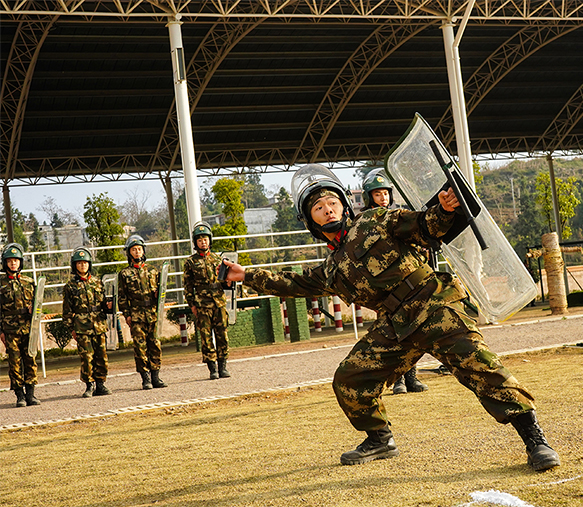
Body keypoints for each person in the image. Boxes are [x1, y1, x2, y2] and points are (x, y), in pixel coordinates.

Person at [222, 164, 560, 471]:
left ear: (345, 205)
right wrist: (245, 276)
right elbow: (292, 283)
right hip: (395, 325)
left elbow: (424, 226)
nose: (328, 210)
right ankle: (380, 440)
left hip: (433, 305)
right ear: (311, 220)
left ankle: (535, 441)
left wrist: (443, 208)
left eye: (333, 203)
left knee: (482, 367)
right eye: (318, 208)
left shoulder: (374, 220)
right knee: (350, 379)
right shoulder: (331, 268)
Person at [360, 168, 428, 395]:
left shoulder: (399, 218)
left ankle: (411, 378)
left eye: (385, 194)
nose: (383, 198)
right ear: (369, 198)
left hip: (407, 283)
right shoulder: (363, 223)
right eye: (377, 194)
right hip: (384, 288)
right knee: (393, 334)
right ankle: (396, 381)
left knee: (413, 331)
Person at [118, 234, 167, 390]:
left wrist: (159, 305)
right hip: (136, 314)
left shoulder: (153, 271)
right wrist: (127, 315)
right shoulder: (125, 274)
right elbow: (122, 297)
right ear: (129, 253)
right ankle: (145, 378)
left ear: (143, 251)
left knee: (155, 345)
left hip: (152, 313)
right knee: (140, 348)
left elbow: (162, 292)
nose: (137, 252)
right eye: (134, 250)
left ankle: (156, 376)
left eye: (139, 249)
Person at [184, 221, 231, 380]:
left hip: (219, 302)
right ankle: (212, 369)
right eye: (199, 240)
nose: (203, 242)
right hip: (202, 304)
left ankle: (223, 366)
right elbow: (188, 286)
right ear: (195, 242)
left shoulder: (218, 259)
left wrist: (229, 283)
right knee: (206, 337)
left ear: (210, 240)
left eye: (205, 239)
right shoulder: (190, 262)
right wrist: (192, 305)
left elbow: (225, 281)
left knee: (222, 335)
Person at [63, 247, 113, 397]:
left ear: (89, 264)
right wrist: (71, 328)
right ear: (75, 266)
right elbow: (67, 310)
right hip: (81, 325)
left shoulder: (98, 282)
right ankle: (89, 385)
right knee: (86, 357)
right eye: (79, 263)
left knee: (101, 356)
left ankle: (101, 384)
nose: (82, 265)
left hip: (98, 324)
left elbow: (103, 302)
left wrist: (108, 305)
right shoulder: (70, 286)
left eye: (85, 263)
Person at [0, 243, 41, 407]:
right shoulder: (1, 283)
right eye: (10, 261)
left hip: (28, 328)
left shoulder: (29, 282)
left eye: (16, 261)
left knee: (30, 360)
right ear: (5, 263)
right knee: (14, 363)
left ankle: (31, 394)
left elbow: (38, 306)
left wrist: (35, 311)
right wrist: (0, 331)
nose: (13, 264)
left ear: (20, 262)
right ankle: (20, 396)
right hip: (10, 330)